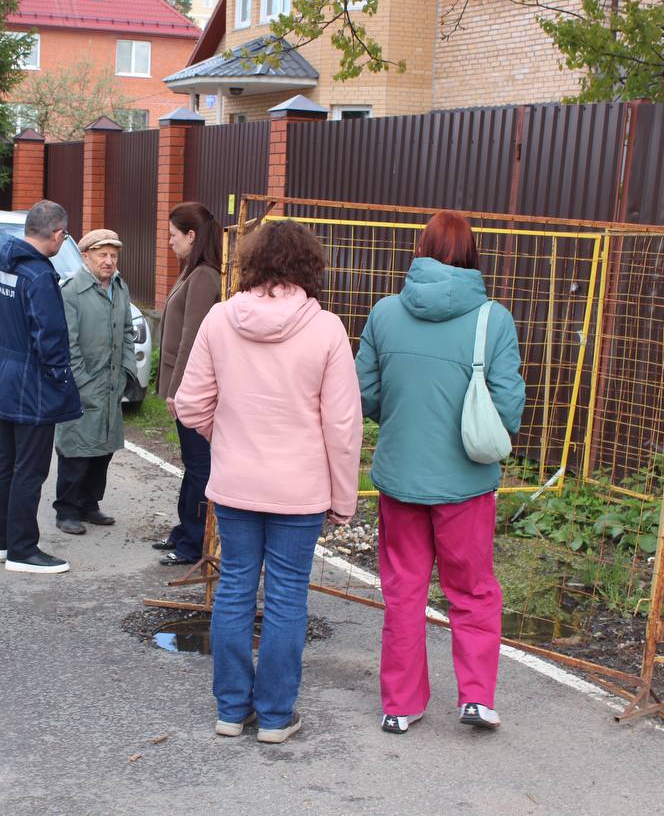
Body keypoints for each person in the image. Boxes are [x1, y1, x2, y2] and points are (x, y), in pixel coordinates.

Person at [176, 219, 362, 745]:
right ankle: (276, 718)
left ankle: (231, 711)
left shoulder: (218, 319)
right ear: (310, 266)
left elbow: (190, 404)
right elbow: (342, 426)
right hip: (300, 490)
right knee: (285, 597)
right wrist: (343, 498)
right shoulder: (326, 328)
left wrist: (229, 436)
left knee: (235, 588)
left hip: (235, 482)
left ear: (251, 264)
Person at [354, 211, 526, 735]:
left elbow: (364, 391)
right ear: (473, 253)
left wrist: (403, 419)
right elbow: (509, 406)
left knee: (403, 591)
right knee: (471, 590)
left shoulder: (384, 313)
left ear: (421, 249)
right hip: (467, 484)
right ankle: (476, 698)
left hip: (400, 476)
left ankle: (400, 705)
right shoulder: (492, 319)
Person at [0, 200, 81, 574]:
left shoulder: (2, 265)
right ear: (58, 234)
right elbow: (51, 335)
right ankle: (23, 550)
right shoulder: (40, 275)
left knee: (6, 462)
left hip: (6, 371)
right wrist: (61, 379)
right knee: (30, 467)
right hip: (34, 381)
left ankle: (1, 541)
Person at [52, 229, 137, 535]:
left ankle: (90, 505)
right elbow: (68, 344)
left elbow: (128, 331)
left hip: (113, 381)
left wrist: (128, 369)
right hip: (83, 384)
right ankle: (67, 510)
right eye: (102, 254)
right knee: (77, 446)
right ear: (85, 256)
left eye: (113, 255)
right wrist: (82, 383)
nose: (109, 261)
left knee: (103, 447)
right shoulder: (72, 291)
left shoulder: (119, 286)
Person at [155, 202, 222, 566]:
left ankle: (194, 541)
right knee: (192, 462)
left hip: (191, 390)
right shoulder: (191, 272)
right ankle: (184, 531)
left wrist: (178, 390)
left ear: (191, 236)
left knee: (199, 466)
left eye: (173, 235)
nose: (169, 241)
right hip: (183, 386)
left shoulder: (204, 276)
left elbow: (191, 338)